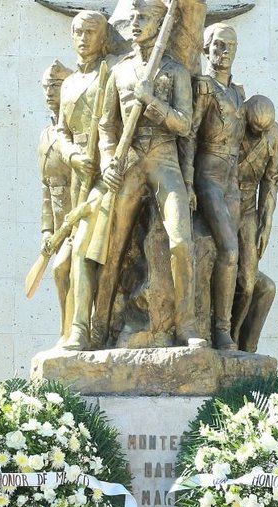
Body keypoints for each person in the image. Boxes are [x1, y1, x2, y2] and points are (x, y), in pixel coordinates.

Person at [96, 0, 205, 348]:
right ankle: (98, 326)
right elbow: (105, 126)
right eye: (134, 17)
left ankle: (186, 325)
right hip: (128, 163)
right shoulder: (119, 70)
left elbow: (184, 124)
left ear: (160, 24)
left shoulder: (174, 71)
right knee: (113, 248)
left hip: (163, 159)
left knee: (181, 242)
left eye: (144, 18)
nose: (135, 23)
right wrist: (106, 162)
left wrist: (153, 103)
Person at [55, 10, 113, 351]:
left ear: (103, 37)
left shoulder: (111, 74)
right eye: (78, 31)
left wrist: (103, 162)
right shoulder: (69, 83)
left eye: (91, 32)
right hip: (77, 172)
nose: (83, 38)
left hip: (103, 178)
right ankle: (67, 331)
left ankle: (81, 330)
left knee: (81, 252)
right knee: (59, 266)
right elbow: (61, 131)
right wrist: (73, 156)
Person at [190, 22, 246, 350]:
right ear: (206, 48)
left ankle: (219, 326)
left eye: (230, 47)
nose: (224, 52)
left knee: (230, 256)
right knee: (228, 248)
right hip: (208, 177)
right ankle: (222, 330)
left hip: (233, 183)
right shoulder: (204, 87)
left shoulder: (238, 92)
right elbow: (190, 134)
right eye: (218, 45)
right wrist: (187, 181)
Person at [232, 93, 278, 351]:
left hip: (249, 209)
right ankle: (225, 339)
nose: (259, 135)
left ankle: (235, 341)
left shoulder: (273, 134)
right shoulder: (232, 125)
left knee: (248, 284)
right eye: (255, 130)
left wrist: (266, 223)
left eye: (264, 130)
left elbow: (271, 180)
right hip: (223, 202)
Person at [37, 60, 73, 344]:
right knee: (62, 272)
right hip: (61, 221)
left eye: (56, 86)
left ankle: (71, 333)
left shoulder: (76, 130)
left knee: (62, 270)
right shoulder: (45, 135)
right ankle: (68, 330)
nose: (50, 92)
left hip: (82, 215)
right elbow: (46, 188)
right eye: (47, 86)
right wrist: (47, 230)